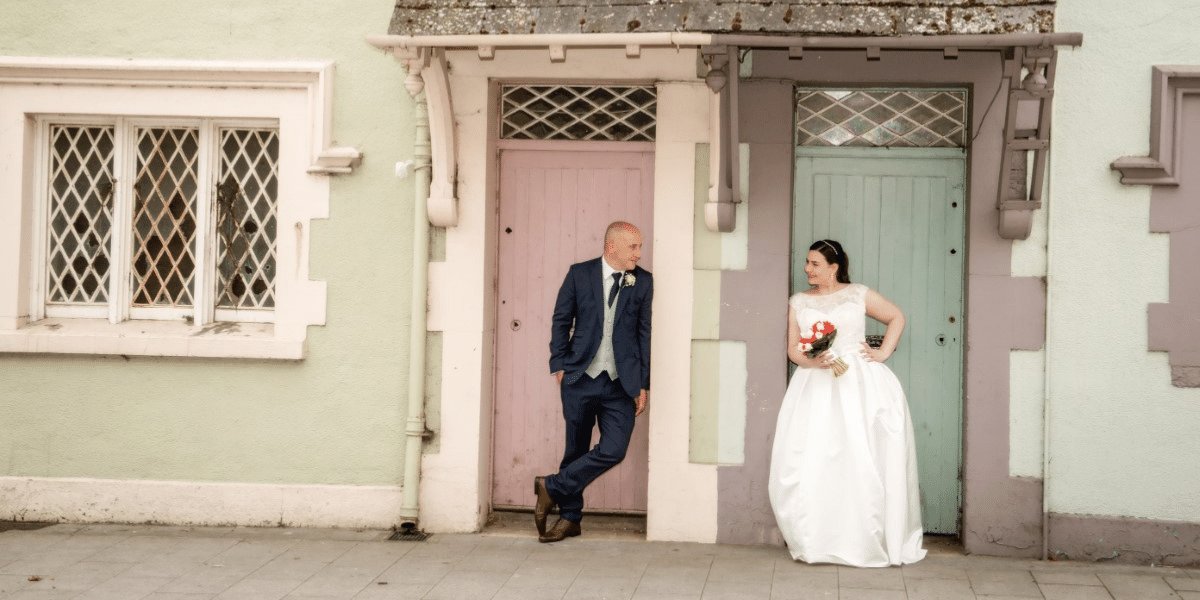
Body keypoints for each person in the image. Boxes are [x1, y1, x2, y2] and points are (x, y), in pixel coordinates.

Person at [769, 239, 926, 567]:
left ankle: (864, 538)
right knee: (815, 457)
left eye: (814, 264)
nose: (807, 269)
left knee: (860, 456)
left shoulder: (858, 294)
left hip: (859, 384)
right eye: (807, 263)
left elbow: (896, 317)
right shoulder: (799, 302)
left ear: (833, 268)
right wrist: (815, 361)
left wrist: (882, 352)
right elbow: (794, 351)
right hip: (816, 385)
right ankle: (818, 538)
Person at [536, 221, 652, 543]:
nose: (639, 254)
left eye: (640, 247)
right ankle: (570, 519)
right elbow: (561, 320)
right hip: (579, 377)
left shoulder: (642, 281)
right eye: (633, 247)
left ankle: (551, 486)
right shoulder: (579, 274)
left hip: (620, 383)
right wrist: (559, 364)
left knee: (615, 449)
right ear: (612, 246)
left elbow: (644, 333)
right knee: (575, 449)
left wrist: (643, 384)